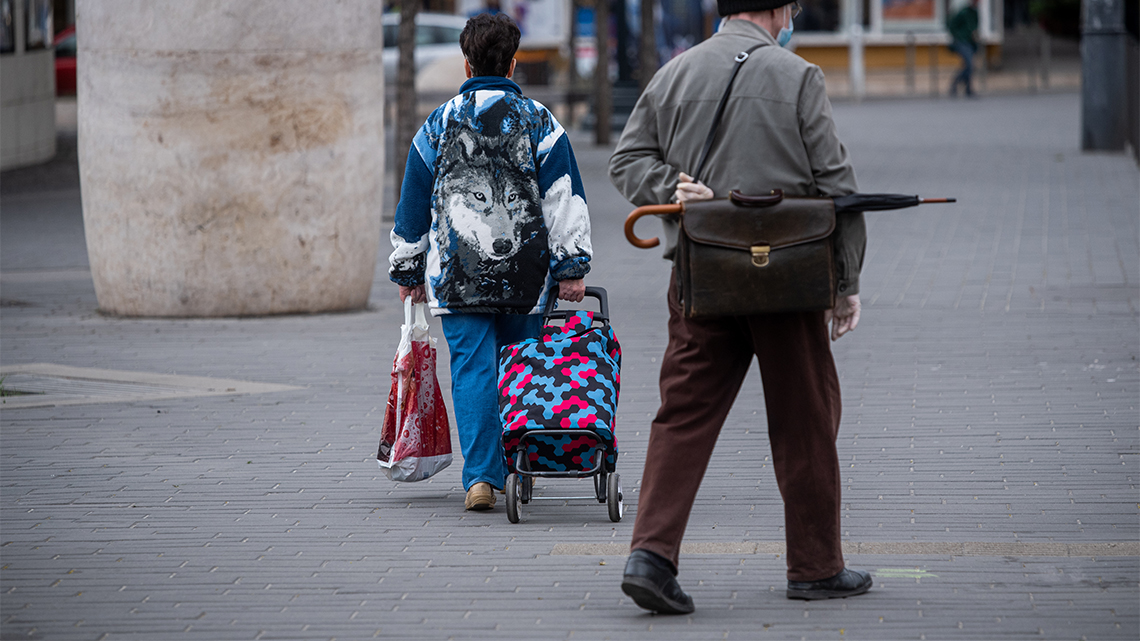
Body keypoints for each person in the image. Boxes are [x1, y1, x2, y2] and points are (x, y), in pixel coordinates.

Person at [608, 0, 871, 613]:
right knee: (805, 418)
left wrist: (669, 189)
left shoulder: (676, 72)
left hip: (703, 275)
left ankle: (650, 555)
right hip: (787, 278)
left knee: (683, 414)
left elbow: (627, 160)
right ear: (780, 10)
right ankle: (814, 566)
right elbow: (838, 188)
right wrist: (845, 281)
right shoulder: (798, 75)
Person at [389, 13, 592, 512]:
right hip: (526, 276)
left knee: (473, 369)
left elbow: (413, 200)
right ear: (514, 63)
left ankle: (480, 477)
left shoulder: (438, 122)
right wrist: (572, 266)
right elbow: (562, 197)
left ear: (465, 63)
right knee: (521, 366)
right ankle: (520, 465)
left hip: (457, 279)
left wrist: (408, 268)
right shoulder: (541, 121)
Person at [947, 0, 980, 97]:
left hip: (970, 42)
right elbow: (952, 26)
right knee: (969, 64)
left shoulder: (975, 13)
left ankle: (968, 89)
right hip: (962, 42)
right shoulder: (964, 12)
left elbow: (974, 28)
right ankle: (955, 84)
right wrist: (958, 37)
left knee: (968, 65)